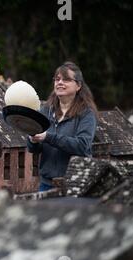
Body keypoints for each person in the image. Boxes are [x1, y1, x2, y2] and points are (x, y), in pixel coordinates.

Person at [27, 61, 98, 192]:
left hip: (75, 185)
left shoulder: (87, 114)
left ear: (78, 86)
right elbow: (33, 149)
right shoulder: (45, 111)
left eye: (66, 79)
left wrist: (48, 137)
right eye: (57, 79)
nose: (60, 83)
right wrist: (32, 140)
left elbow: (82, 146)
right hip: (46, 184)